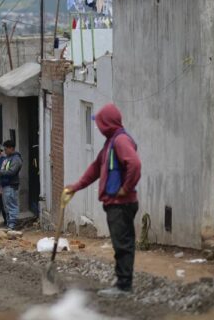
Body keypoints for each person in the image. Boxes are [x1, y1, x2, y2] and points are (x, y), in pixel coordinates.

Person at [62, 103, 141, 298]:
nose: (98, 127)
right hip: (115, 204)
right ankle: (122, 282)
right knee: (121, 243)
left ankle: (124, 286)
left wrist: (126, 188)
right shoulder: (110, 143)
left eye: (99, 123)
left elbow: (135, 164)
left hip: (121, 204)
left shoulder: (120, 141)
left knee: (122, 245)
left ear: (108, 122)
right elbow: (95, 169)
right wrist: (75, 187)